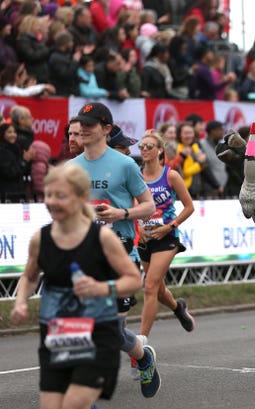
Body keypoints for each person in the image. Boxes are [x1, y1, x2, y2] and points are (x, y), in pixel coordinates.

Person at [9, 164, 143, 409]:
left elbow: (134, 279)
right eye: (48, 195)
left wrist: (102, 289)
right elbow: (29, 276)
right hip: (59, 332)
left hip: (98, 333)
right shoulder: (42, 238)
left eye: (61, 196)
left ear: (82, 197)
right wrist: (20, 302)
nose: (52, 202)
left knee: (71, 405)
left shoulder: (101, 238)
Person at [67, 102, 161, 398]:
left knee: (110, 331)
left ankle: (143, 357)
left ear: (106, 129)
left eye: (90, 123)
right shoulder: (71, 168)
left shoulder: (125, 164)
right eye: (81, 122)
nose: (83, 128)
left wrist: (121, 214)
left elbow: (149, 206)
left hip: (120, 255)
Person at [137, 130, 195, 338]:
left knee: (150, 285)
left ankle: (141, 343)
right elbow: (131, 205)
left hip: (167, 237)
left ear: (160, 150)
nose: (144, 150)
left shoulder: (170, 175)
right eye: (141, 146)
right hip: (145, 238)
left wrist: (170, 226)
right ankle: (177, 307)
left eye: (149, 146)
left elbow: (189, 207)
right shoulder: (136, 175)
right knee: (159, 290)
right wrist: (138, 227)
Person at [0, 122, 27, 203]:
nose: (13, 134)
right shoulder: (2, 151)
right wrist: (24, 161)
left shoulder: (16, 149)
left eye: (14, 132)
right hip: (7, 194)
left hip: (17, 192)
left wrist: (26, 161)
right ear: (2, 134)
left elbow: (23, 171)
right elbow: (10, 173)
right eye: (9, 132)